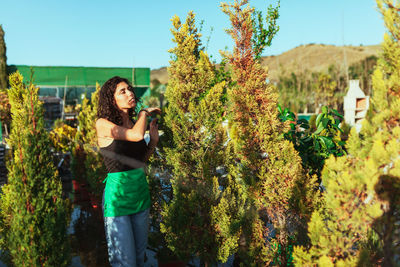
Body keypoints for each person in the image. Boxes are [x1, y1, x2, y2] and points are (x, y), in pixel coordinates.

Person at [96, 76, 161, 267]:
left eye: (130, 89)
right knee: (124, 262)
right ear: (111, 99)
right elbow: (135, 136)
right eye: (122, 91)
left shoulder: (134, 122)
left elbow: (140, 161)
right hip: (118, 201)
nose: (130, 93)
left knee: (140, 258)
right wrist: (143, 113)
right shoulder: (103, 124)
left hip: (140, 195)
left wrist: (154, 142)